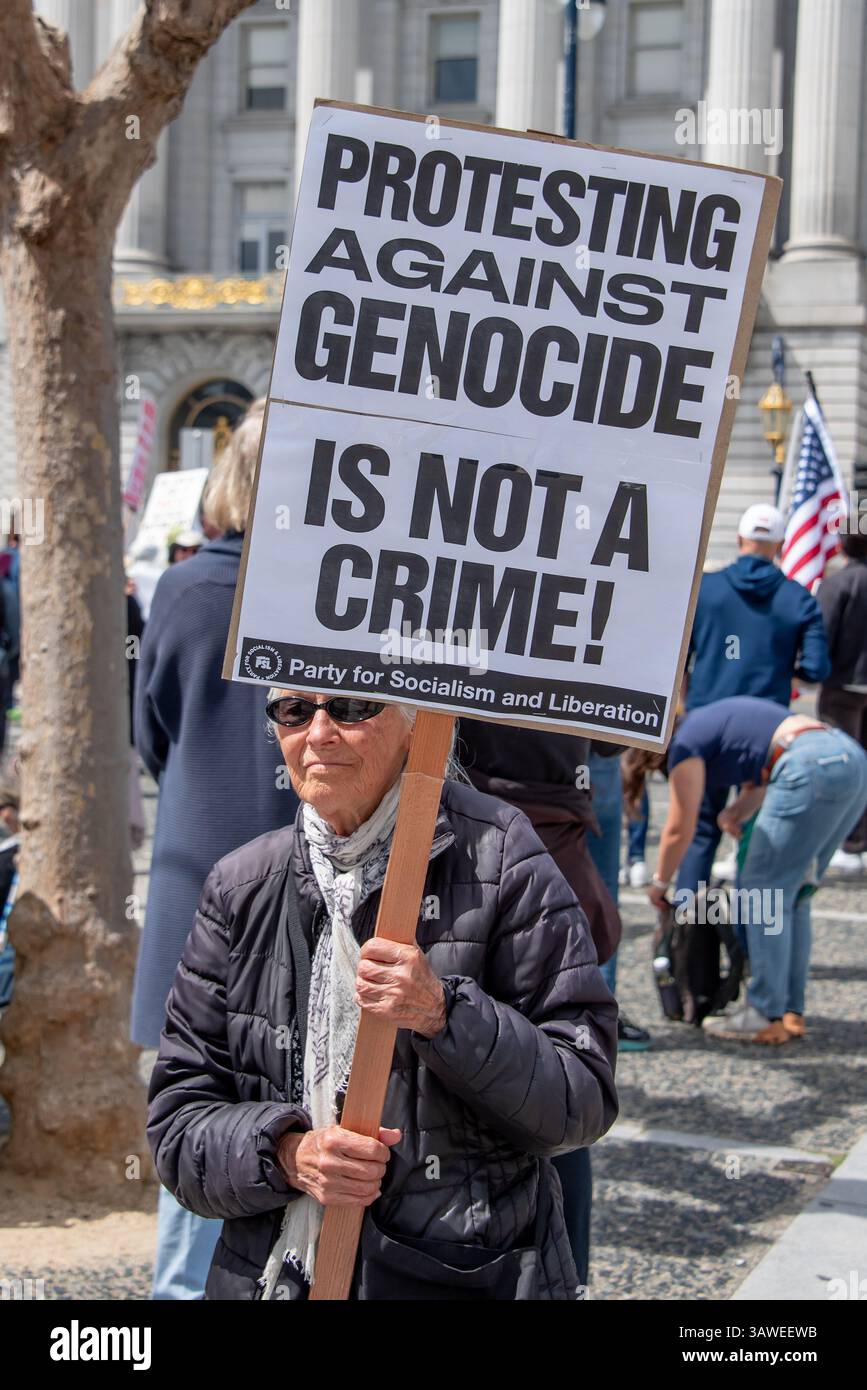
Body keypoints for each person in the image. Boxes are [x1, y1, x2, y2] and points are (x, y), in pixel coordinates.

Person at [147, 691, 618, 1300]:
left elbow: (580, 1099)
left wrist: (444, 1014)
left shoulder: (502, 856)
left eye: (349, 707)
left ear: (417, 725)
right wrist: (288, 1154)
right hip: (277, 1277)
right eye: (293, 712)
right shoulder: (241, 885)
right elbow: (178, 1127)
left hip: (459, 1275)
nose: (318, 733)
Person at [132, 399, 300, 1299]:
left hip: (198, 871)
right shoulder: (339, 590)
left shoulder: (184, 590)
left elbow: (152, 736)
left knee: (196, 1115)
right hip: (315, 883)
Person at [456, 718, 623, 1290]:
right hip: (548, 853)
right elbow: (616, 734)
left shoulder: (440, 634)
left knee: (540, 1070)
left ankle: (554, 1271)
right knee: (550, 1067)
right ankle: (563, 1272)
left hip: (476, 862)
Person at [640, 696, 867, 1043]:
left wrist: (660, 883)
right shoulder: (712, 721)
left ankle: (764, 1011)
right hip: (849, 758)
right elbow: (763, 772)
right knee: (795, 895)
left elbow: (678, 828)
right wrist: (734, 814)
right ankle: (789, 1010)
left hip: (807, 763)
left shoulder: (684, 743)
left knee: (761, 891)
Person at [817, 530, 867, 871]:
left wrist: (812, 672)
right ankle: (858, 839)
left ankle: (844, 839)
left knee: (841, 766)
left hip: (843, 687)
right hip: (851, 685)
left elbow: (821, 637)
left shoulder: (838, 584)